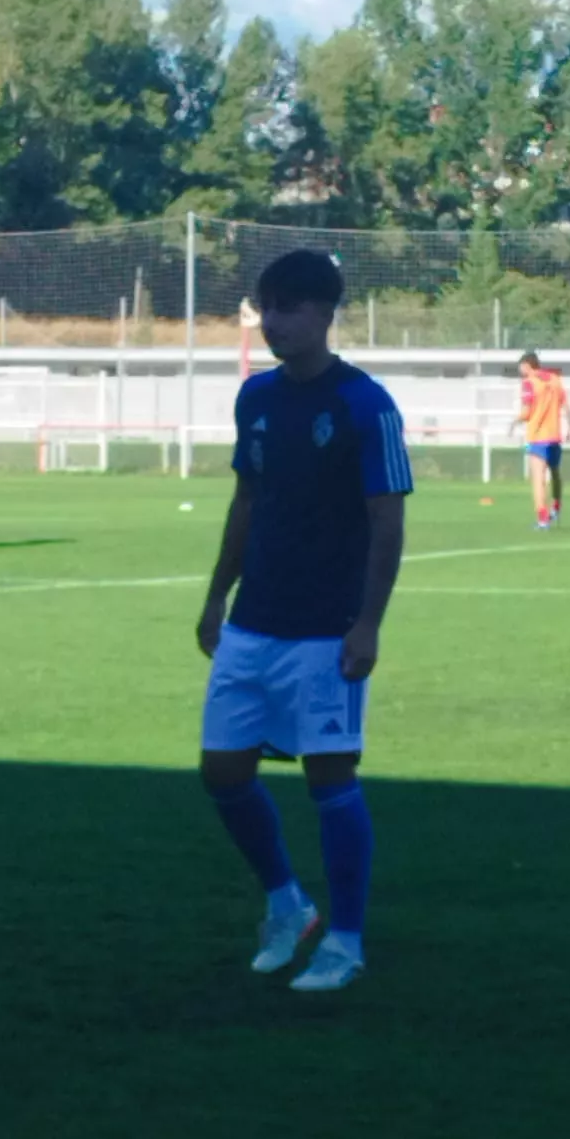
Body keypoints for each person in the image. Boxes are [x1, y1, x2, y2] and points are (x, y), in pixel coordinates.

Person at [197, 248, 412, 992]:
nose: (275, 323)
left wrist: (369, 624)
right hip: (254, 620)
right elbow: (246, 503)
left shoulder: (365, 404)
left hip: (327, 626)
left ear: (325, 315)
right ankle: (289, 905)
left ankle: (345, 942)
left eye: (290, 309)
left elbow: (387, 521)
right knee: (221, 771)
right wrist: (216, 594)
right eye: (267, 309)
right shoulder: (254, 399)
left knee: (330, 779)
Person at [516, 350, 570, 528]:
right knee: (555, 473)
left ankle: (542, 518)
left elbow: (527, 412)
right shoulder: (555, 380)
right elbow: (566, 406)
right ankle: (556, 506)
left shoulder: (528, 383)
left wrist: (514, 420)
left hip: (538, 435)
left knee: (538, 478)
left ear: (526, 365)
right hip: (554, 435)